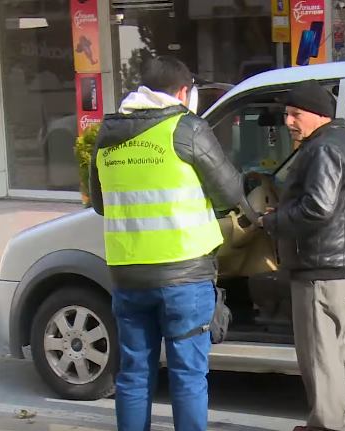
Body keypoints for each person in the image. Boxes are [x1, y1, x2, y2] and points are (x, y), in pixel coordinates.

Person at [89, 56, 244, 431]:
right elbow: (230, 192)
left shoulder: (107, 134)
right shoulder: (186, 128)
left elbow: (99, 203)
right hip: (185, 276)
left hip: (128, 276)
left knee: (134, 374)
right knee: (188, 376)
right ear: (182, 92)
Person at [259, 80, 345, 431]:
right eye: (287, 114)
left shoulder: (323, 149)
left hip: (319, 265)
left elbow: (318, 207)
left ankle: (326, 425)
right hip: (331, 264)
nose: (288, 121)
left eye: (295, 114)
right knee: (329, 353)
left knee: (319, 355)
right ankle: (332, 419)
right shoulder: (337, 141)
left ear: (318, 115)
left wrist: (274, 221)